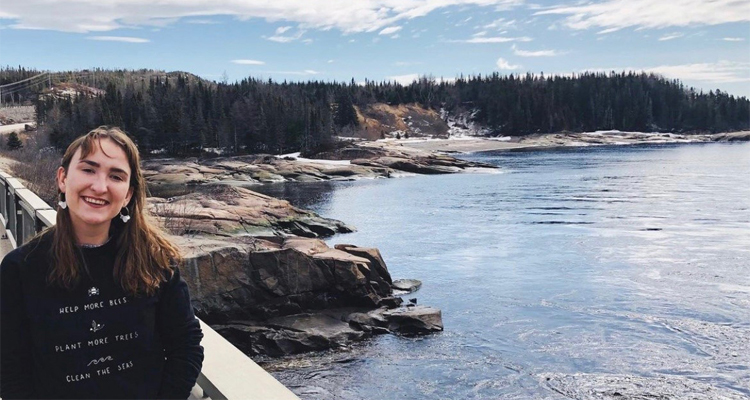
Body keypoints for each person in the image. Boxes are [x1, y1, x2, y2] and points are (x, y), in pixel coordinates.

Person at [0, 126, 204, 399]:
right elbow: (10, 366)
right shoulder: (21, 267)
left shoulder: (154, 260)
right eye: (88, 169)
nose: (99, 186)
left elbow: (186, 345)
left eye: (116, 176)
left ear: (128, 194)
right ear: (62, 178)